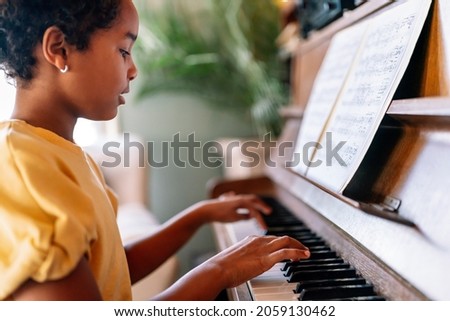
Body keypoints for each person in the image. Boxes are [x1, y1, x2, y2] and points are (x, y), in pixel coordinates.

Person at [0, 0, 310, 301]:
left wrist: (197, 216)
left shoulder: (58, 152)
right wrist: (219, 270)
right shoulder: (23, 167)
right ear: (59, 49)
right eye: (123, 51)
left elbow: (114, 269)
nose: (133, 70)